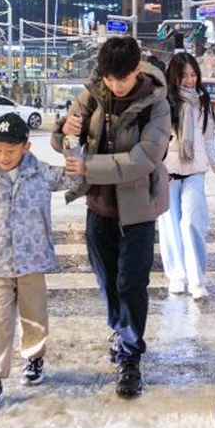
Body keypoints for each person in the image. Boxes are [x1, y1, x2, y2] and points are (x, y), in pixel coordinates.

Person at [52, 36, 171, 398]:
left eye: (122, 78)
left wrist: (88, 166)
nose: (115, 85)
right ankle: (121, 330)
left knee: (130, 285)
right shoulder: (93, 93)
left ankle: (131, 356)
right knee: (108, 283)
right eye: (109, 78)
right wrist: (63, 131)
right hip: (98, 208)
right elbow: (62, 139)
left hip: (137, 212)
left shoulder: (156, 105)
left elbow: (144, 159)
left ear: (137, 69)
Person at [0, 112, 81, 408]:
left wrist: (72, 141)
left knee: (34, 316)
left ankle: (34, 358)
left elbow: (74, 175)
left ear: (26, 147)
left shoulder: (40, 172)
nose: (3, 156)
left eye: (10, 151)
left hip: (33, 261)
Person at [159, 52, 215, 300]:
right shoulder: (163, 101)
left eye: (193, 75)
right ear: (175, 77)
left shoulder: (203, 101)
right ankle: (176, 276)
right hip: (167, 169)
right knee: (170, 225)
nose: (190, 80)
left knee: (192, 222)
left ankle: (196, 278)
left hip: (195, 170)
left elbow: (208, 135)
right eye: (184, 76)